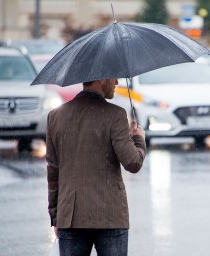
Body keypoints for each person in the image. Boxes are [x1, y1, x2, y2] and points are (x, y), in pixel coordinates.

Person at [46, 78, 146, 256]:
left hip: (70, 216)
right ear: (101, 79)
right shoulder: (115, 115)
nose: (116, 82)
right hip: (110, 215)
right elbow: (133, 163)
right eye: (114, 77)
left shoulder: (56, 116)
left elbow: (53, 172)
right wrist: (139, 139)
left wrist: (55, 216)